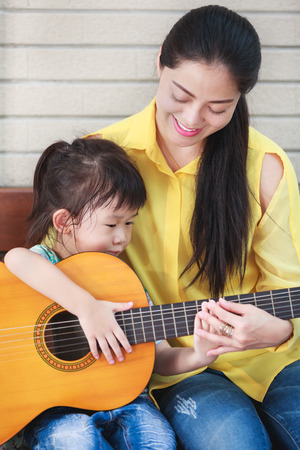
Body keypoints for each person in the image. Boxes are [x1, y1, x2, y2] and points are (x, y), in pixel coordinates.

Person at [83, 5, 300, 450]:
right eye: (181, 94)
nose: (193, 119)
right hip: (178, 366)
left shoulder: (266, 166)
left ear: (240, 100)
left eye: (218, 107)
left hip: (274, 361)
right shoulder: (100, 160)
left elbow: (288, 292)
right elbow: (57, 269)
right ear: (160, 61)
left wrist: (277, 330)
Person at [4, 137, 220, 450]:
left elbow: (159, 357)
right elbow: (16, 258)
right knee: (74, 441)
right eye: (111, 224)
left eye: (130, 222)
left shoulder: (122, 279)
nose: (123, 237)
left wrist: (199, 355)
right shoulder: (45, 263)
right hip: (56, 410)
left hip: (128, 403)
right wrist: (86, 307)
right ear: (64, 221)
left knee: (158, 441)